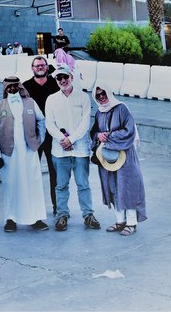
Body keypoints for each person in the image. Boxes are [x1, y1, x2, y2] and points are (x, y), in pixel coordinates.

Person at [0, 76, 49, 232]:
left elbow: (42, 120)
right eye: (9, 87)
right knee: (11, 186)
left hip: (29, 152)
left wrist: (39, 139)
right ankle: (11, 219)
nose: (12, 89)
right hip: (9, 155)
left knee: (33, 184)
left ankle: (35, 218)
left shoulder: (30, 102)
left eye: (15, 86)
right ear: (5, 89)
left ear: (19, 87)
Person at [44, 64, 100, 231]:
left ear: (72, 78)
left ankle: (88, 215)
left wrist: (72, 139)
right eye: (59, 78)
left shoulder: (83, 97)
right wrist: (63, 139)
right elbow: (49, 123)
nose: (63, 80)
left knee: (83, 184)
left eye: (65, 77)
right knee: (61, 185)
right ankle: (62, 215)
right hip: (59, 150)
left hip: (80, 149)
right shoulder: (51, 99)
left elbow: (85, 122)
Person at [90, 81, 147, 236]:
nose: (101, 97)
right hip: (108, 158)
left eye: (103, 93)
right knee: (113, 187)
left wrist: (109, 136)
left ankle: (131, 223)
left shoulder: (121, 108)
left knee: (127, 187)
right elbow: (94, 132)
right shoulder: (99, 112)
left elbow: (129, 131)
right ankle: (120, 221)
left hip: (125, 156)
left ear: (109, 92)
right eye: (98, 95)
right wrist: (98, 135)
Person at [22, 55, 60, 215]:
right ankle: (32, 208)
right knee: (32, 172)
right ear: (32, 68)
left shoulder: (56, 84)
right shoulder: (25, 86)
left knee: (55, 173)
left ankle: (58, 207)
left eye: (42, 65)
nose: (39, 68)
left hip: (53, 135)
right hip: (33, 137)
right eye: (36, 66)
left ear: (47, 67)